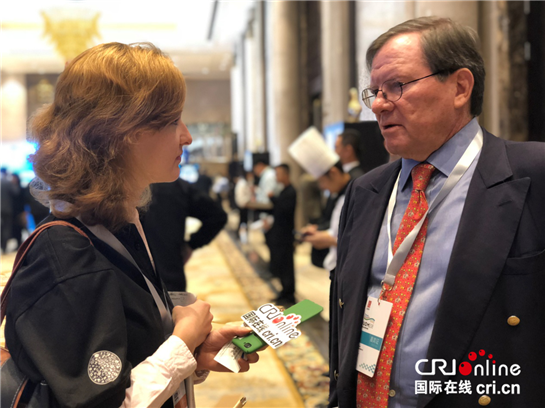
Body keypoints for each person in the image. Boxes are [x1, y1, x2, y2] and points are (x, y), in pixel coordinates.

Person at [4, 42, 259, 408]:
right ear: (122, 133)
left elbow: (126, 350)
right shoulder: (64, 252)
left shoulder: (120, 221)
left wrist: (194, 351)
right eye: (172, 121)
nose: (187, 136)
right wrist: (182, 342)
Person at [329, 17, 545, 408]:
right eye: (375, 91)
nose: (378, 104)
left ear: (460, 87)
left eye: (396, 86)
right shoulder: (366, 190)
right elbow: (346, 314)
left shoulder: (533, 175)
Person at [143, 178, 228, 294]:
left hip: (132, 280)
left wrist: (192, 244)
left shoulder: (122, 187)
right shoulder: (177, 186)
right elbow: (217, 215)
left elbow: (217, 216)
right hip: (170, 275)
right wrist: (191, 245)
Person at [264, 164, 297, 305]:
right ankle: (284, 291)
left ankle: (289, 294)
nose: (276, 177)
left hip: (285, 235)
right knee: (282, 265)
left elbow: (283, 210)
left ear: (285, 174)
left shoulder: (291, 191)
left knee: (287, 266)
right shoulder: (284, 191)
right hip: (279, 233)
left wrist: (272, 199)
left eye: (278, 174)